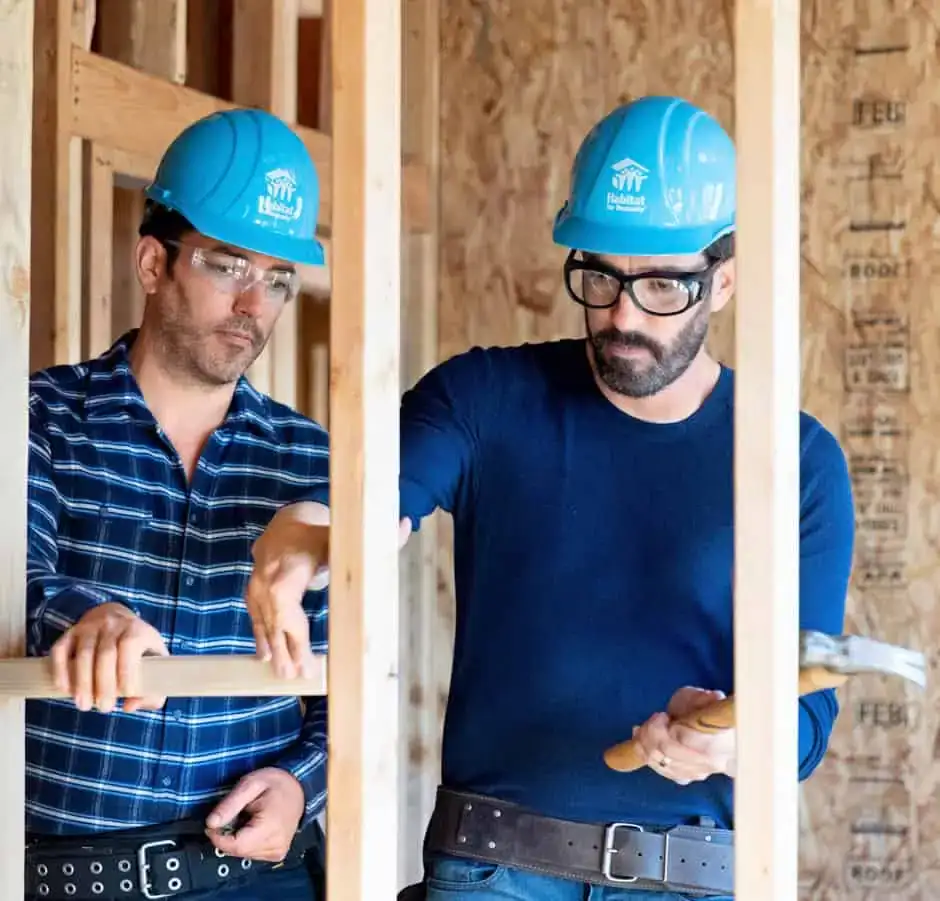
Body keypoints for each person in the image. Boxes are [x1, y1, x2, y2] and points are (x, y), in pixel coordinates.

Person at [246, 95, 856, 899]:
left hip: (693, 878)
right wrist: (300, 540)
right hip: (493, 867)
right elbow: (361, 502)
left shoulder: (797, 462)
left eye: (661, 285)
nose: (623, 315)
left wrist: (734, 744)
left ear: (724, 281)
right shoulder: (485, 398)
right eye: (600, 276)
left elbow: (806, 718)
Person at [25, 108, 331, 901]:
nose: (254, 304)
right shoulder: (37, 419)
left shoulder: (313, 459)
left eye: (277, 279)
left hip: (259, 879)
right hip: (69, 877)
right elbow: (14, 580)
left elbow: (357, 670)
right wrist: (87, 619)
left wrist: (302, 783)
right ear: (153, 262)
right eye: (229, 265)